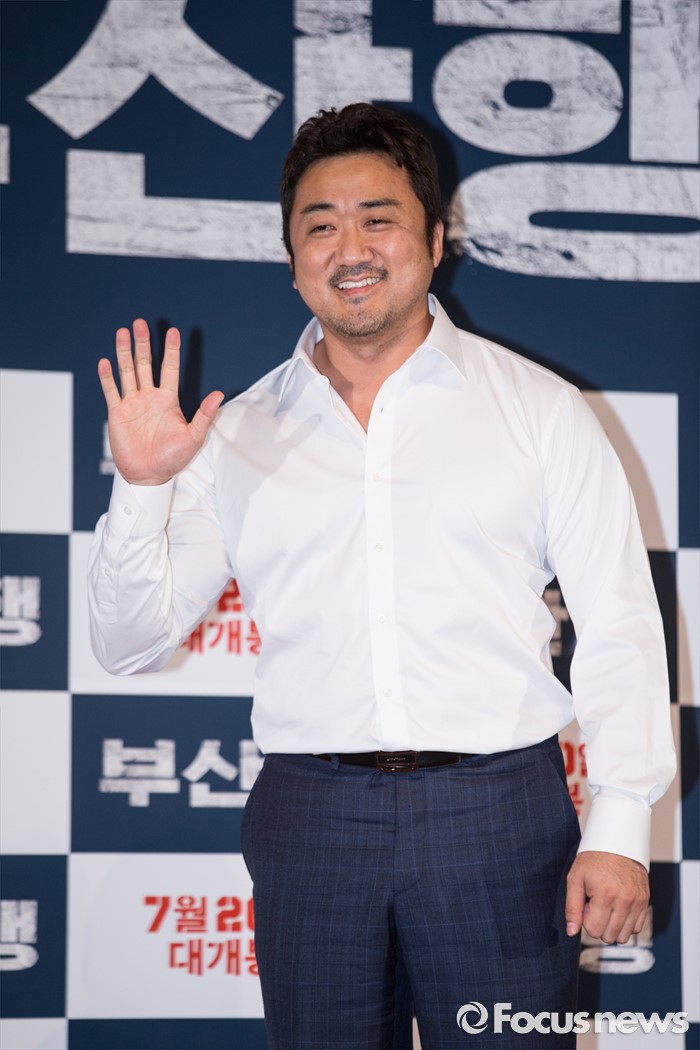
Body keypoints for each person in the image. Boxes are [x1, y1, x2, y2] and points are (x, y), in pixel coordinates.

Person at [89, 103, 676, 1050]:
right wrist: (143, 487)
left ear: (435, 240)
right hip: (309, 819)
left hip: (499, 816)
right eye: (320, 225)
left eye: (379, 218)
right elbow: (126, 644)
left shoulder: (540, 411)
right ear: (291, 257)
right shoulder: (233, 435)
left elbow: (618, 625)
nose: (350, 248)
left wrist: (618, 826)